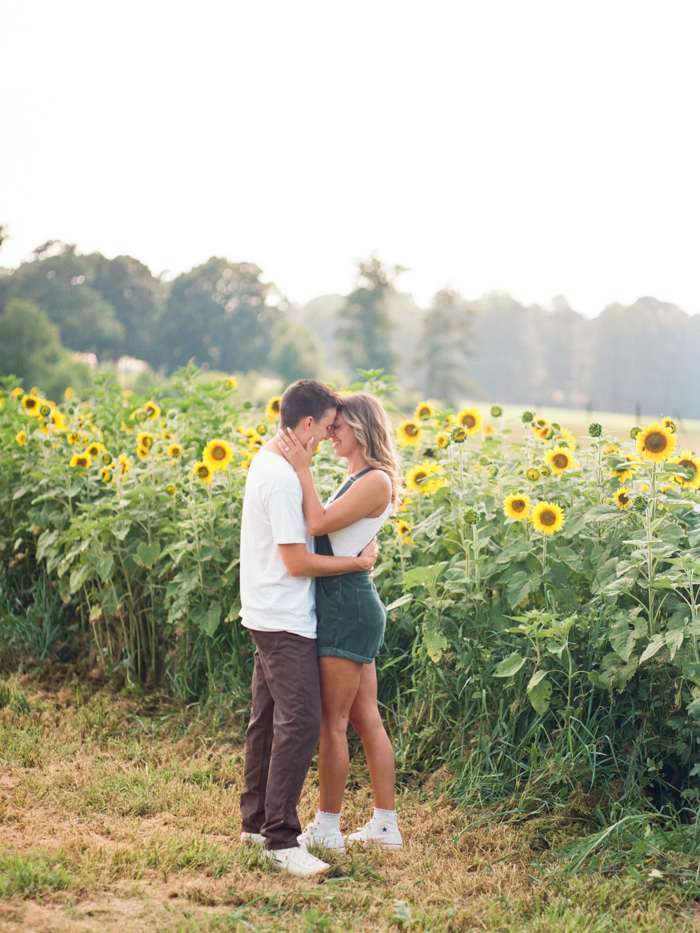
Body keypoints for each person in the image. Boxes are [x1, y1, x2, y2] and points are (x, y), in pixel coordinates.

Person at [239, 380, 379, 878]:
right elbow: (298, 563)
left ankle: (255, 826)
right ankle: (281, 839)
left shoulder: (268, 461)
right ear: (305, 425)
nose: (325, 437)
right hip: (284, 616)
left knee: (266, 720)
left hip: (265, 609)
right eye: (324, 427)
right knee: (299, 723)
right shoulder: (281, 477)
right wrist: (355, 564)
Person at [276, 391, 403, 852]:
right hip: (344, 601)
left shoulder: (376, 481)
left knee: (334, 721)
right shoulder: (357, 477)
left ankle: (328, 828)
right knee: (365, 717)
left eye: (339, 426)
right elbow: (336, 532)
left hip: (347, 606)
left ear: (363, 429)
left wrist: (304, 470)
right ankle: (384, 827)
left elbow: (317, 523)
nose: (331, 433)